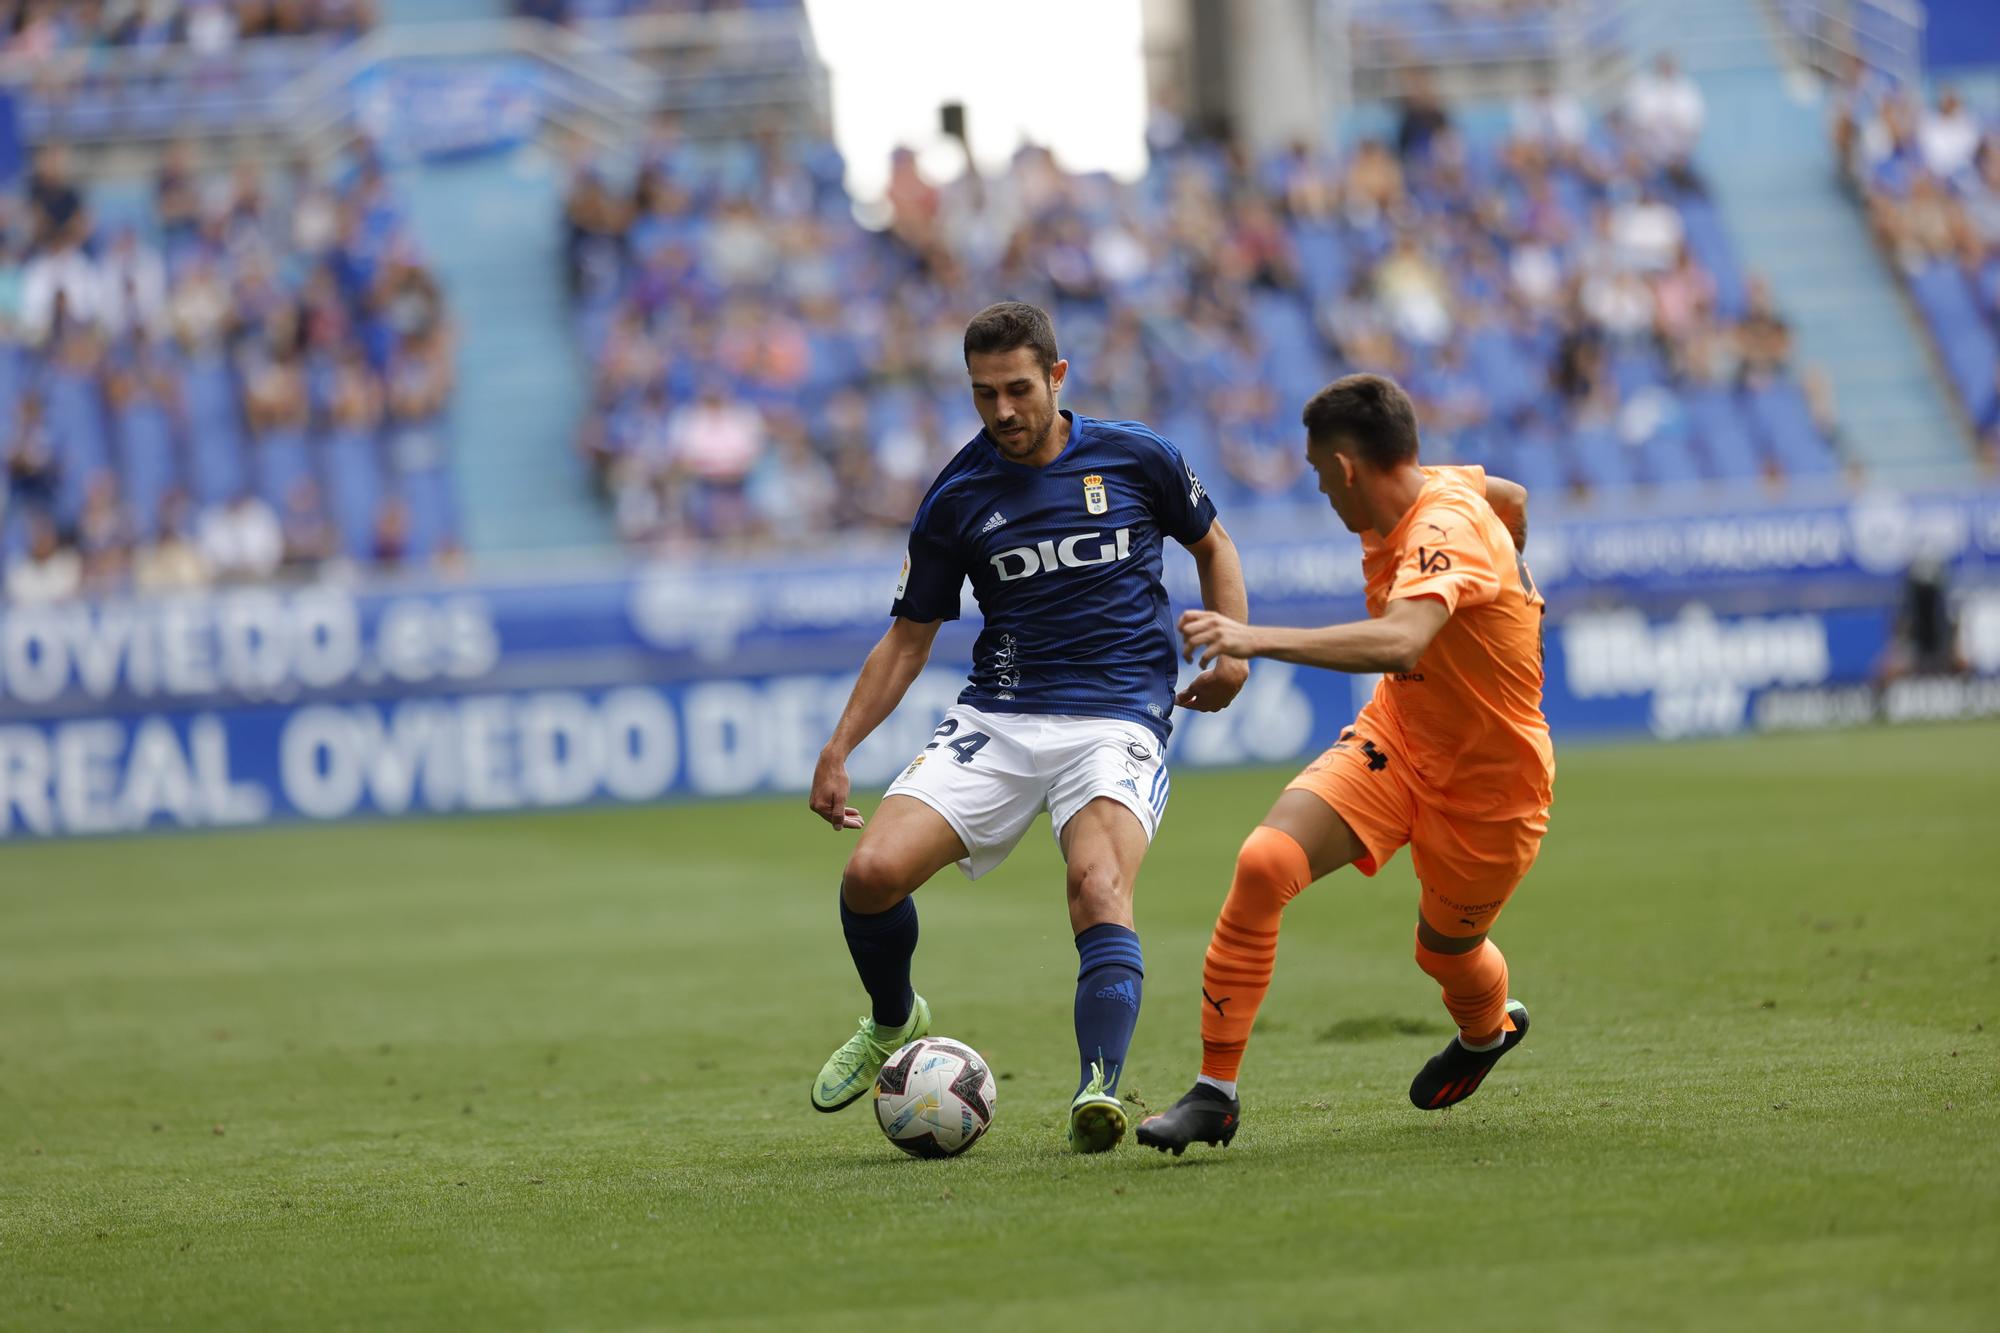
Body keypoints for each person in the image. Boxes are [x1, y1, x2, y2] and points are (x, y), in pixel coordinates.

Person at [806, 301, 1250, 1153]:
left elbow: (1214, 542)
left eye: (1017, 389)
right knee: (870, 874)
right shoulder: (958, 494)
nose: (1002, 411)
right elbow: (908, 638)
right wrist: (840, 747)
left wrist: (1232, 649)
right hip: (1000, 713)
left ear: (1057, 377)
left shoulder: (1136, 455)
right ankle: (894, 1019)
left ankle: (1099, 1087)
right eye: (983, 395)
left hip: (1117, 717)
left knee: (1096, 887)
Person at [1136, 373, 1554, 1154]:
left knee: (1444, 951)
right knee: (1265, 862)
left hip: (1492, 781)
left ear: (1348, 466)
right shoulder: (1441, 490)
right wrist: (1514, 575)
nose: (1322, 490)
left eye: (1320, 473)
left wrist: (1251, 637)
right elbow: (1515, 496)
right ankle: (1214, 1092)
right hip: (1400, 732)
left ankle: (1486, 1030)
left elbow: (1400, 642)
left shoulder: (1442, 527)